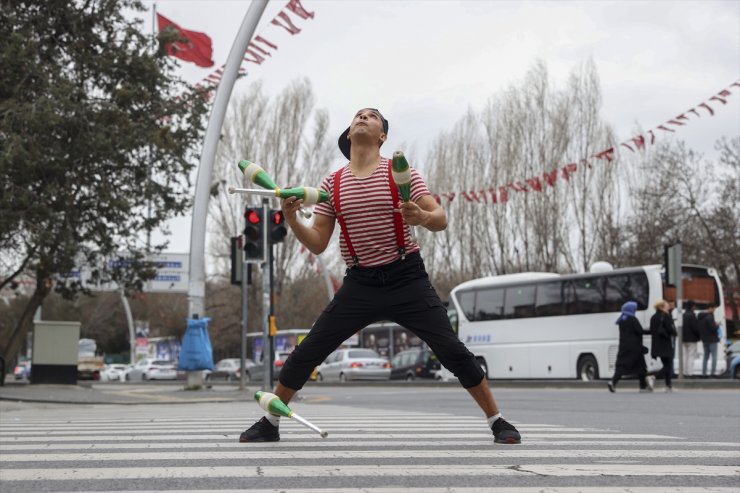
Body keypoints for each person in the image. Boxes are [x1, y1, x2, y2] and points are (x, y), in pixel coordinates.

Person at [239, 108, 521, 445]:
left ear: (382, 136)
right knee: (308, 350)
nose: (362, 117)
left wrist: (421, 216)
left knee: (452, 350)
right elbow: (317, 242)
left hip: (406, 277)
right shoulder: (333, 184)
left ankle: (497, 421)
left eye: (371, 116)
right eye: (357, 115)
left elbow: (440, 218)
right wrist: (292, 219)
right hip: (360, 283)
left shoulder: (400, 174)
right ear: (348, 134)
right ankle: (270, 422)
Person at [608, 301, 652, 393]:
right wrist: (652, 331)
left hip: (624, 346)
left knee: (621, 366)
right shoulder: (632, 319)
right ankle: (642, 387)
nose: (635, 310)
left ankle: (613, 382)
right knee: (641, 366)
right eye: (635, 308)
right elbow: (639, 331)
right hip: (635, 348)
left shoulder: (622, 319)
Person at [649, 299, 677, 392]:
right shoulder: (666, 316)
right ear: (661, 307)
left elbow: (652, 331)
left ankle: (668, 386)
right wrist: (675, 332)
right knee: (668, 366)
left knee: (666, 364)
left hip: (657, 345)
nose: (668, 307)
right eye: (666, 305)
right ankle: (653, 377)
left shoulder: (653, 317)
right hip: (665, 344)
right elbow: (671, 329)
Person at [698, 305, 720, 377]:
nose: (714, 310)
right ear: (710, 308)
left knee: (705, 357)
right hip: (712, 340)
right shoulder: (710, 317)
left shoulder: (701, 317)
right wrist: (717, 325)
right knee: (714, 357)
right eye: (714, 308)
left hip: (705, 340)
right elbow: (713, 329)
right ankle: (712, 373)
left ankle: (704, 373)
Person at [681, 300, 700, 377]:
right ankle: (690, 373)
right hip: (692, 339)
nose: (695, 307)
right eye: (694, 306)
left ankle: (685, 372)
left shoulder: (683, 315)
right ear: (692, 306)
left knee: (685, 356)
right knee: (691, 356)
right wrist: (698, 336)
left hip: (684, 339)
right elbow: (695, 328)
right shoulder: (692, 315)